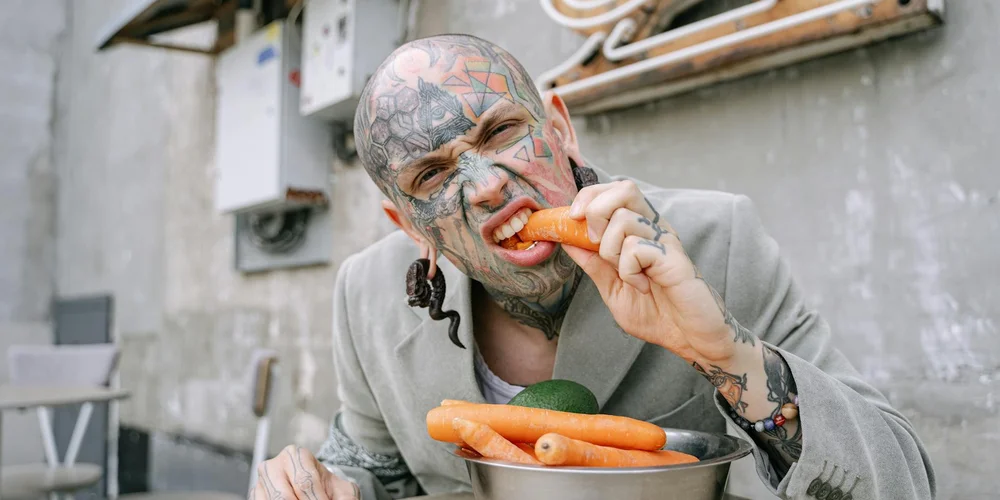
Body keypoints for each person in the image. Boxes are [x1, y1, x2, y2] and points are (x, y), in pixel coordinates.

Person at [249, 34, 935, 500]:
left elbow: (902, 483)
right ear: (406, 222)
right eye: (431, 175)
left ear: (560, 129)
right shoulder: (366, 295)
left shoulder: (716, 241)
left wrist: (722, 353)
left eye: (501, 132)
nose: (487, 187)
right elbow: (375, 472)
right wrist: (317, 483)